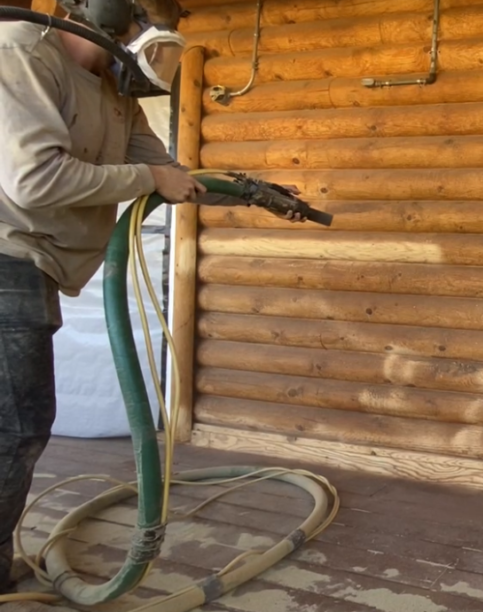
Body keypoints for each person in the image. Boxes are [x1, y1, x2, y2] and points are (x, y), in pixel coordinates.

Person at [0, 5, 301, 594]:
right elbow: (34, 180)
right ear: (102, 8)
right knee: (16, 427)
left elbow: (167, 172)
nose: (158, 30)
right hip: (5, 255)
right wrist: (148, 181)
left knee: (14, 425)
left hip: (33, 265)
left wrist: (251, 193)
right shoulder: (22, 52)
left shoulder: (116, 89)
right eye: (152, 13)